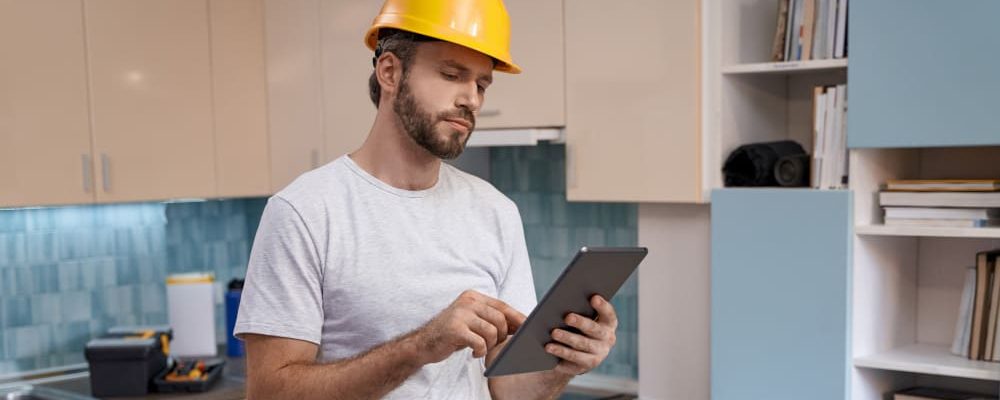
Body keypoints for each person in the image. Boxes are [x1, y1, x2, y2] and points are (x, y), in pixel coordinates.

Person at [234, 0, 619, 398]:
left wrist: (563, 364)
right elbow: (268, 393)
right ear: (390, 72)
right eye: (452, 74)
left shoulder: (496, 212)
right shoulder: (305, 212)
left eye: (482, 84)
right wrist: (421, 346)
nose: (471, 98)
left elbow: (511, 390)